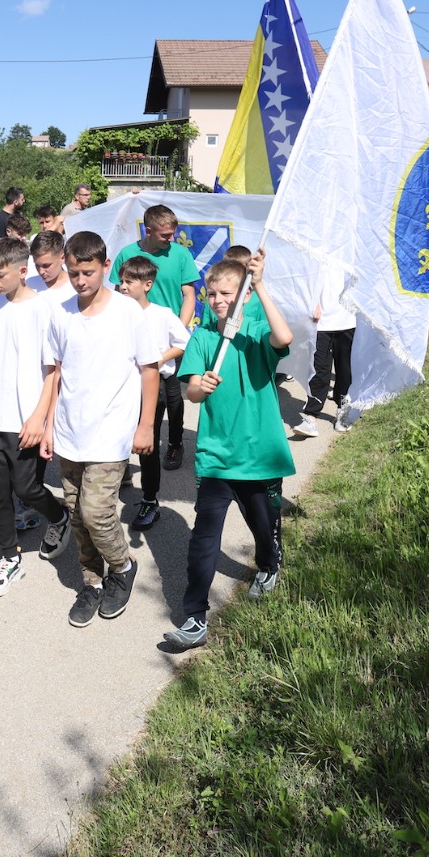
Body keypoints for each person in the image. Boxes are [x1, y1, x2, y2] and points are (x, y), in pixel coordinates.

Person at [163, 250, 296, 651]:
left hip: (256, 456)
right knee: (205, 536)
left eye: (227, 294)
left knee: (262, 525)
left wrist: (259, 286)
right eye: (213, 293)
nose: (219, 300)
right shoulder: (203, 338)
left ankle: (269, 565)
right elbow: (192, 394)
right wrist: (199, 387)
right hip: (216, 456)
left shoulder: (255, 331)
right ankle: (194, 617)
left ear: (242, 297)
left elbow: (284, 338)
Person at [42, 231, 159, 628]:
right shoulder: (61, 313)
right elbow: (55, 371)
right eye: (73, 272)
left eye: (88, 272)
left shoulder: (129, 313)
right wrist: (47, 426)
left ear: (106, 266)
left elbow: (150, 370)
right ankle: (91, 582)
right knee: (75, 514)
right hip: (69, 433)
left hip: (111, 434)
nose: (80, 281)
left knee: (97, 512)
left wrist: (145, 427)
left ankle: (122, 567)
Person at [0, 238, 72, 597]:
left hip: (25, 419)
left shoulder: (44, 310)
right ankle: (9, 558)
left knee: (26, 488)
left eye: (0, 274)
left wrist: (40, 420)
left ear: (22, 271)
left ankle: (60, 517)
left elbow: (52, 371)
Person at [108, 205, 201, 471]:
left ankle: (174, 442)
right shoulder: (128, 254)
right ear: (148, 231)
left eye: (173, 234)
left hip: (169, 336)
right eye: (165, 235)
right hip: (133, 337)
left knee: (172, 396)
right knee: (131, 394)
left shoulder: (181, 254)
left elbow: (189, 296)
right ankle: (128, 446)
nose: (171, 239)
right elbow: (118, 294)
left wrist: (178, 332)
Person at [117, 256, 190, 530]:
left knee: (147, 443)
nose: (122, 286)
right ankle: (119, 475)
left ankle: (149, 499)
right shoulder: (114, 312)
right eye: (121, 281)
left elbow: (183, 342)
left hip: (152, 387)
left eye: (129, 282)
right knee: (119, 435)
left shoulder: (162, 314)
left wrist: (156, 360)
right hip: (121, 387)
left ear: (147, 284)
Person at [294, 265, 355, 438]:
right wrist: (313, 302)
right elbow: (306, 276)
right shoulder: (318, 247)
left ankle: (342, 410)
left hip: (348, 321)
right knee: (318, 370)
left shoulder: (352, 249)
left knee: (345, 370)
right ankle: (311, 418)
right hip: (320, 323)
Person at [27, 230, 72, 299]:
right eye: (37, 265)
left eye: (46, 265)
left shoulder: (75, 288)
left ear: (62, 258)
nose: (41, 271)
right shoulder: (29, 285)